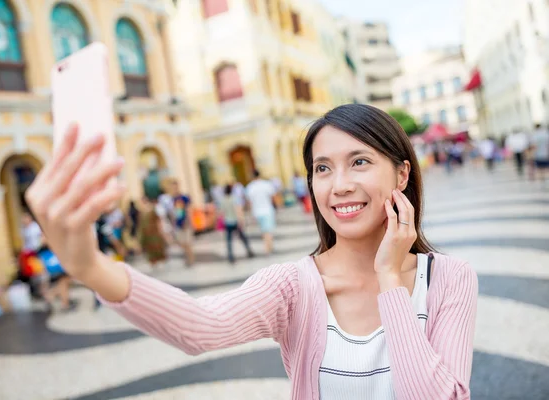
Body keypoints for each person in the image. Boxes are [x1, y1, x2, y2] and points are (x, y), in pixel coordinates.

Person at [26, 105, 478, 399]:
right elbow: (199, 328)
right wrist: (89, 266)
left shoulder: (450, 279)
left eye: (359, 162)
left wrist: (389, 284)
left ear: (401, 175)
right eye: (322, 168)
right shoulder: (292, 287)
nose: (339, 185)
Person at [220, 184, 254, 264]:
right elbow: (238, 210)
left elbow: (222, 212)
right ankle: (249, 251)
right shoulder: (234, 199)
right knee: (243, 237)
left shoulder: (223, 200)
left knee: (229, 240)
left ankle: (230, 255)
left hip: (227, 222)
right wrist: (241, 220)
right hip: (235, 221)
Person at [245, 170, 277, 255]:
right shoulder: (266, 184)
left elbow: (249, 202)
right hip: (267, 210)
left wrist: (250, 213)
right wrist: (275, 206)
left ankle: (268, 246)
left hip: (257, 211)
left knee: (263, 231)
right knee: (268, 230)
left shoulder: (250, 187)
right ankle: (268, 247)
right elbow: (273, 197)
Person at [137, 197, 168, 269]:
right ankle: (153, 263)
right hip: (147, 234)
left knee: (157, 247)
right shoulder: (141, 212)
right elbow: (141, 224)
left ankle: (161, 261)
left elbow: (158, 220)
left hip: (154, 232)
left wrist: (161, 230)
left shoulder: (152, 209)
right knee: (149, 249)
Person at [171, 181, 195, 266]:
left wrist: (189, 222)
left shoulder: (184, 198)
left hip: (185, 223)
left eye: (175, 187)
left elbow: (188, 210)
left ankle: (190, 260)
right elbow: (174, 212)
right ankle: (187, 258)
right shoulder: (173, 199)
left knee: (188, 243)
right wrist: (174, 223)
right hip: (178, 224)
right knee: (181, 243)